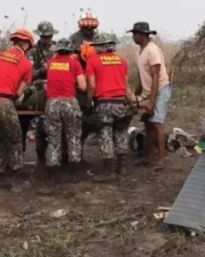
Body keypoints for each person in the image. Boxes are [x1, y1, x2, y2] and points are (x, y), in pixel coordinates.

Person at [86, 33, 135, 177]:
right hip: (121, 102)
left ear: (100, 47)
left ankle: (108, 171)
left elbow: (92, 86)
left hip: (104, 103)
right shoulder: (122, 61)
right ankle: (122, 168)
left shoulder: (93, 61)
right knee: (120, 133)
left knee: (105, 135)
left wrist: (89, 103)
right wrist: (132, 105)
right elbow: (126, 88)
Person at [128, 21, 171, 168]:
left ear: (142, 35)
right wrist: (138, 89)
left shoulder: (152, 51)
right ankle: (150, 157)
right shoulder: (140, 51)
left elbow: (155, 77)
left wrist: (152, 101)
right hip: (149, 90)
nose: (133, 37)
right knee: (148, 122)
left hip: (159, 89)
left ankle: (162, 159)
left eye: (135, 34)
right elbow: (143, 74)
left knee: (157, 123)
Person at [44, 38, 86, 173]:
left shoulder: (50, 63)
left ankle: (52, 170)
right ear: (70, 50)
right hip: (69, 102)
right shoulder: (74, 63)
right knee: (73, 135)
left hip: (52, 103)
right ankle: (74, 169)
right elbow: (83, 86)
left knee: (53, 137)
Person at [0, 29, 34, 173]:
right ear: (26, 45)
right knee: (15, 138)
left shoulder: (1, 55)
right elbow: (22, 88)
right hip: (4, 101)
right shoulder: (26, 63)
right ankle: (15, 170)